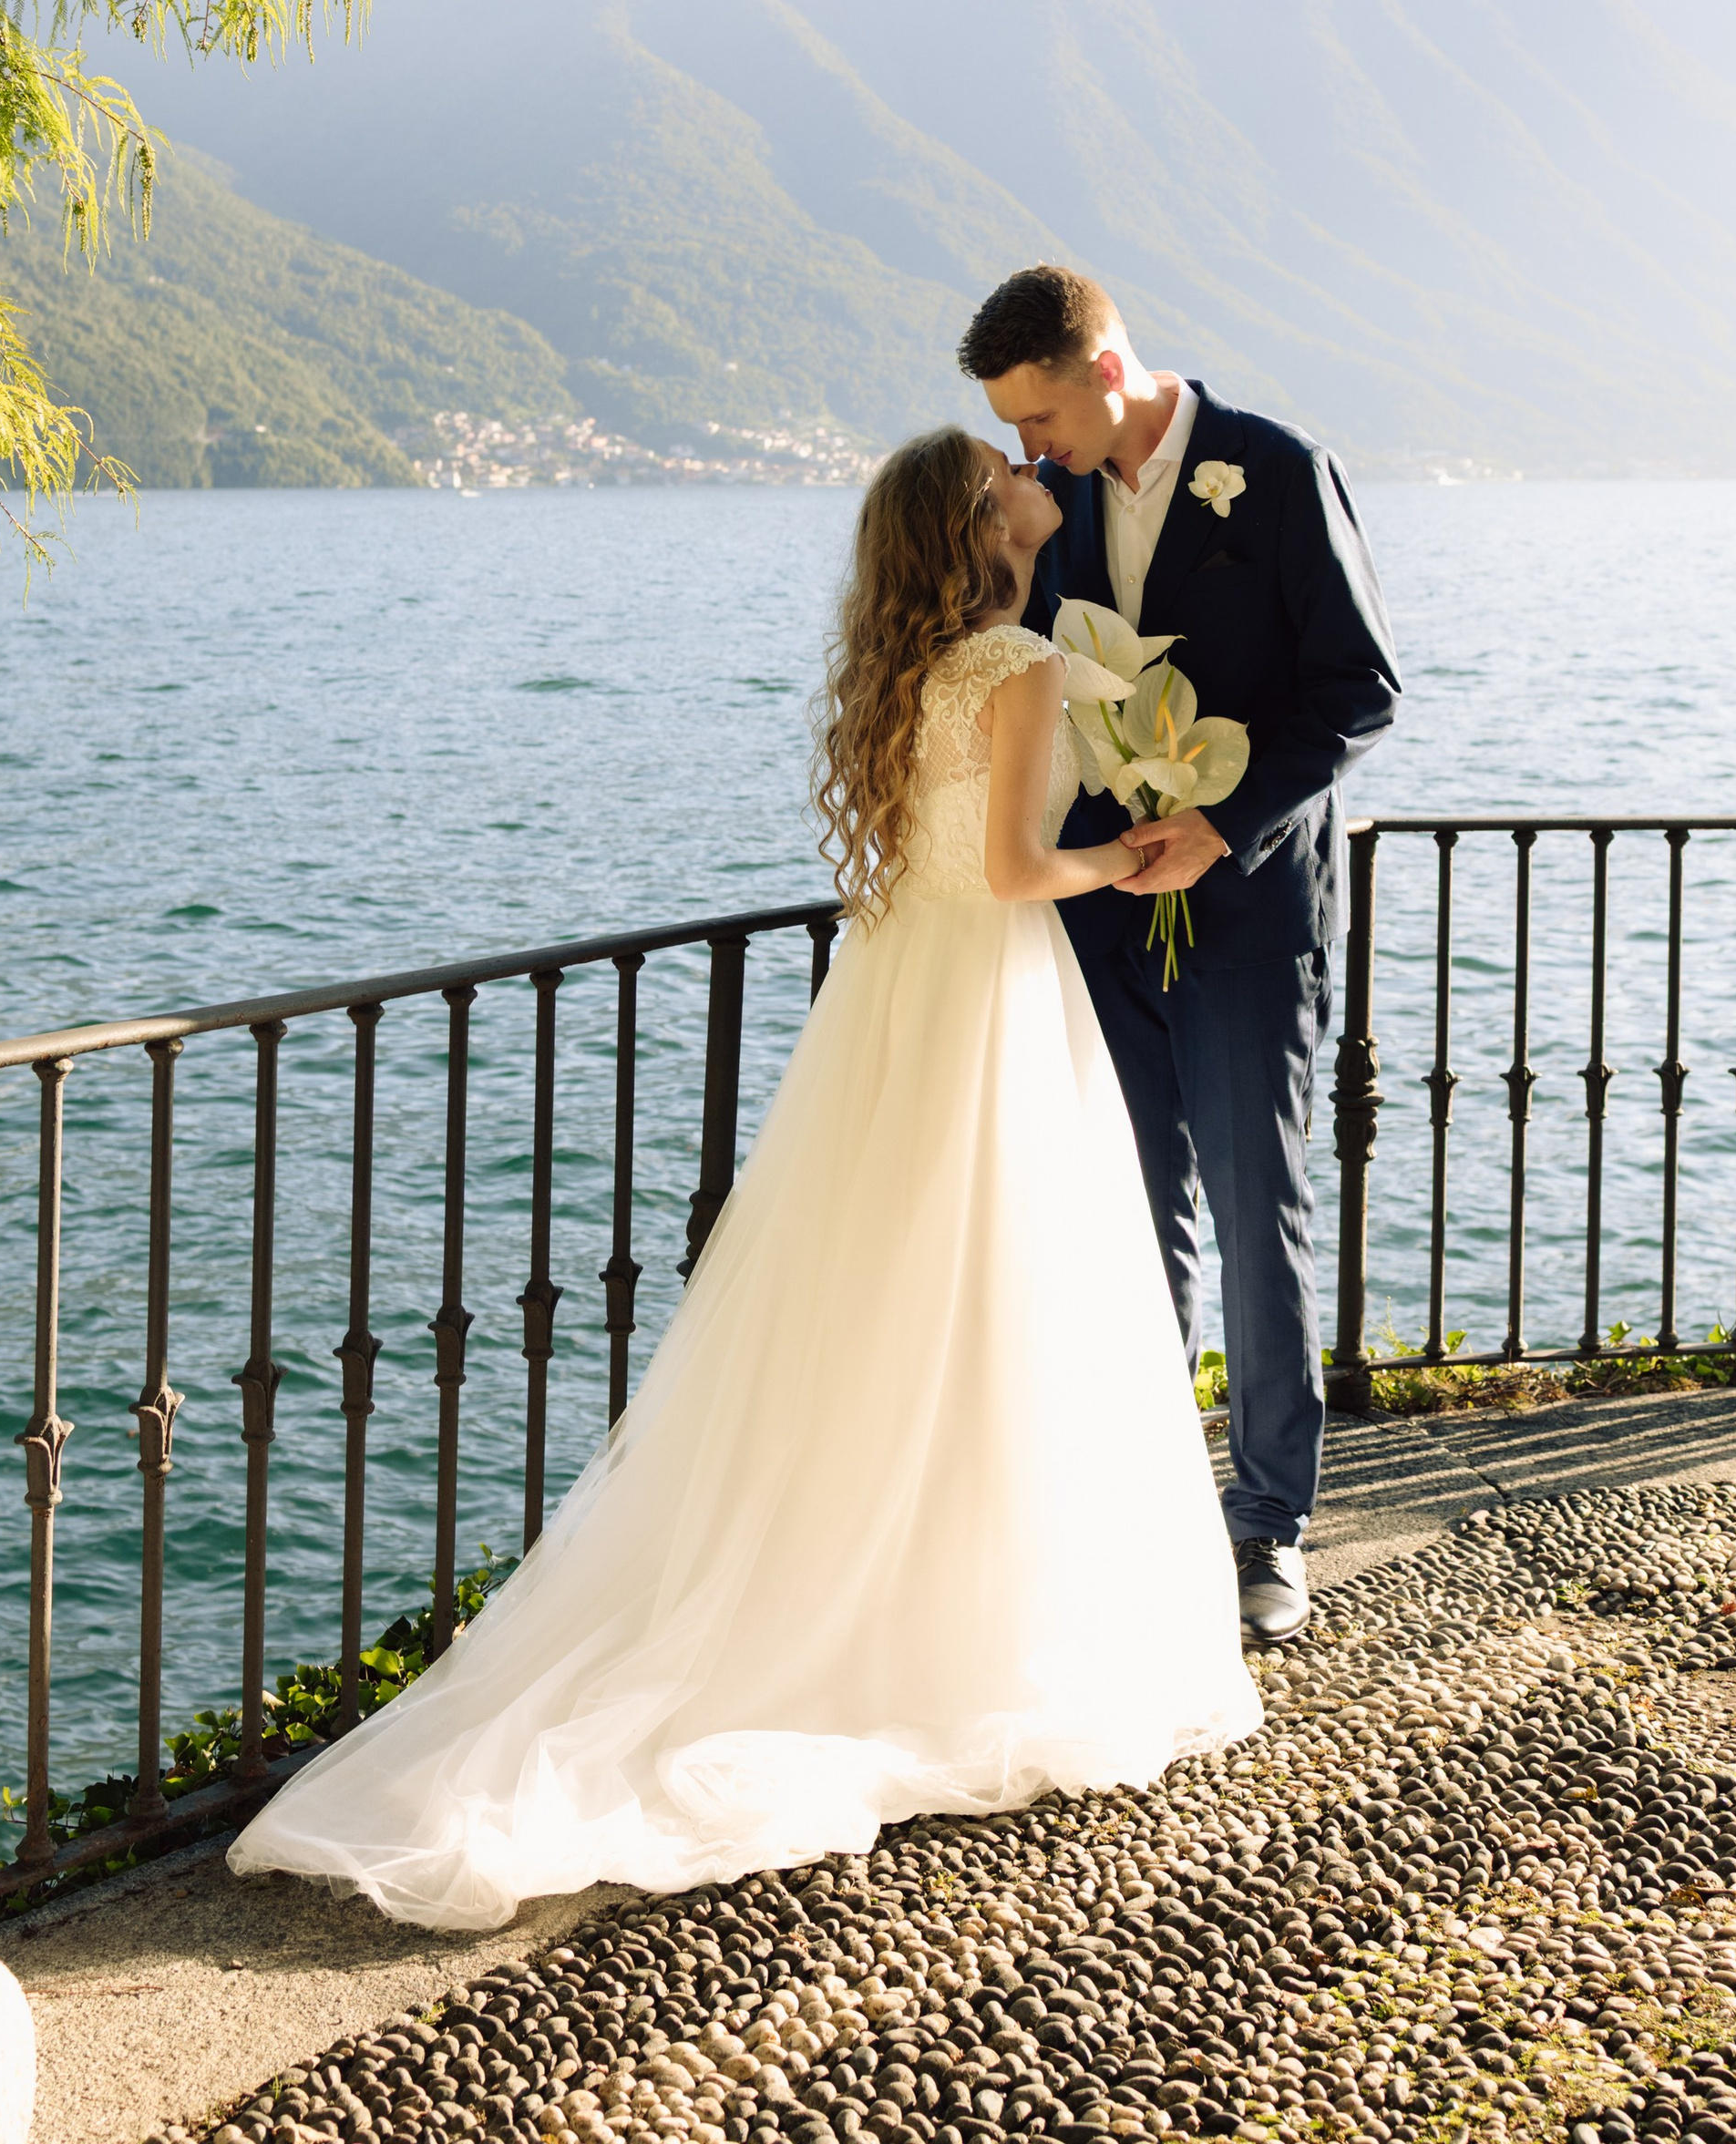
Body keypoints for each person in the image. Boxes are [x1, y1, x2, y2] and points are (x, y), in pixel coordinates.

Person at [228, 426, 1259, 1929]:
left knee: (887, 1298)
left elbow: (937, 858)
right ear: (990, 519)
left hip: (898, 995)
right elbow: (1017, 869)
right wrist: (1143, 853)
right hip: (989, 997)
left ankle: (884, 1586)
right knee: (998, 1297)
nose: (1040, 470)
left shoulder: (922, 663)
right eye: (1009, 465)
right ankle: (965, 1616)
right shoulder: (1021, 661)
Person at [960, 266, 1402, 1646]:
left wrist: (1222, 818)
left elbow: (1362, 689)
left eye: (1041, 414)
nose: (1031, 449)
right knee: (1132, 1207)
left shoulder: (1274, 470)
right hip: (1099, 913)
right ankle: (1145, 1499)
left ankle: (1268, 1522)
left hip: (1253, 905)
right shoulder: (1058, 499)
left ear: (1103, 366)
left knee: (1259, 1208)